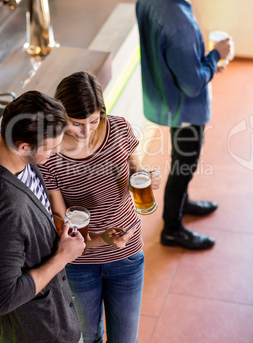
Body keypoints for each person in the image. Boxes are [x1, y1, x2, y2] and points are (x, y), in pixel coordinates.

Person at [38, 71, 161, 343]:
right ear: (60, 116)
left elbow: (135, 172)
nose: (86, 131)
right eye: (76, 123)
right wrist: (102, 239)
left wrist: (147, 178)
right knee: (88, 338)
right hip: (80, 264)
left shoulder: (119, 129)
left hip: (127, 254)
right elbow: (61, 220)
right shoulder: (51, 154)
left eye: (93, 121)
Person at [136, 0, 232, 250]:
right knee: (184, 165)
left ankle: (183, 203)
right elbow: (192, 84)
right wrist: (215, 56)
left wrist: (199, 61)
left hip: (162, 96)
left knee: (181, 160)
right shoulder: (182, 25)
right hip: (186, 109)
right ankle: (172, 228)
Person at [0, 90, 86, 343]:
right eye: (52, 147)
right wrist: (62, 258)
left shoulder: (21, 160)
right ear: (24, 146)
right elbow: (5, 297)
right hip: (42, 332)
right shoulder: (9, 208)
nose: (57, 152)